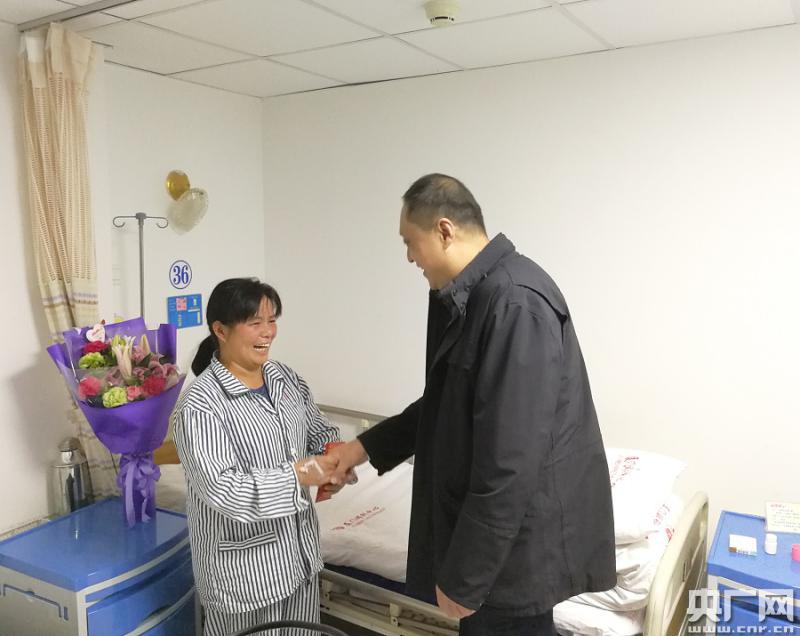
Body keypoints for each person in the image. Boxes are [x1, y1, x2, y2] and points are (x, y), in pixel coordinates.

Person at [329, 174, 617, 635]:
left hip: (510, 557)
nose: (409, 257)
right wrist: (360, 448)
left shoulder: (514, 303)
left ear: (444, 230)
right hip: (496, 551)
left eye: (410, 241)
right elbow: (445, 404)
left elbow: (510, 462)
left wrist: (466, 577)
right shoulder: (477, 297)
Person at [172, 277, 343, 636]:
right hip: (245, 579)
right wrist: (301, 474)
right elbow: (225, 490)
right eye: (255, 323)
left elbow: (319, 432)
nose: (268, 332)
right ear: (220, 330)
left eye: (272, 320)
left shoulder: (284, 378)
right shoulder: (201, 405)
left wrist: (333, 460)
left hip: (299, 561)